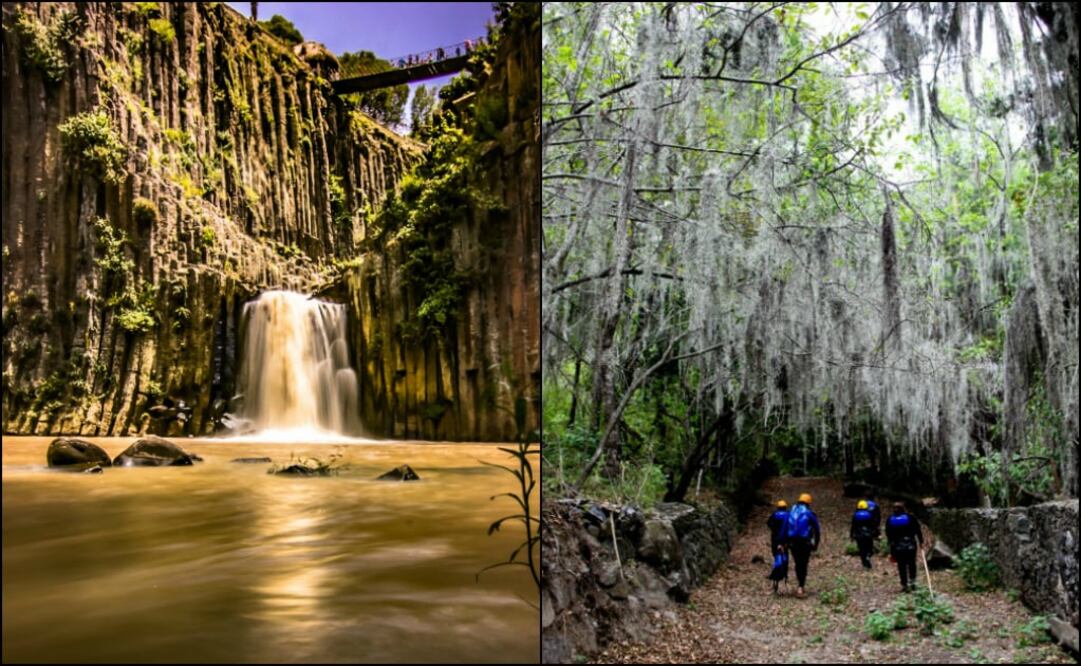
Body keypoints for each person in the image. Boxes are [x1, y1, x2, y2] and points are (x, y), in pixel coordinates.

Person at [782, 492, 821, 598]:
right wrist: (816, 544)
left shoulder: (790, 512)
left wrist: (782, 542)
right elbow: (817, 530)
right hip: (804, 542)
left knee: (797, 562)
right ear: (808, 503)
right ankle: (801, 586)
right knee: (803, 563)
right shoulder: (809, 513)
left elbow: (784, 528)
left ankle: (800, 584)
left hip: (792, 542)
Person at [885, 501, 924, 592]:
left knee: (901, 565)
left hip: (897, 546)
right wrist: (921, 541)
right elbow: (918, 530)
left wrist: (891, 547)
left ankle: (904, 584)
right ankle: (913, 581)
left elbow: (888, 534)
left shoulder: (890, 520)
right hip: (910, 545)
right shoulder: (910, 518)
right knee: (911, 564)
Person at [850, 500, 877, 569]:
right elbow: (873, 525)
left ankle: (865, 564)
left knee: (861, 550)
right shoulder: (870, 515)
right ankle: (868, 556)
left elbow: (853, 526)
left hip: (859, 535)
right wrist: (876, 534)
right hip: (868, 535)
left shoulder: (855, 515)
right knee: (869, 548)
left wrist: (851, 535)